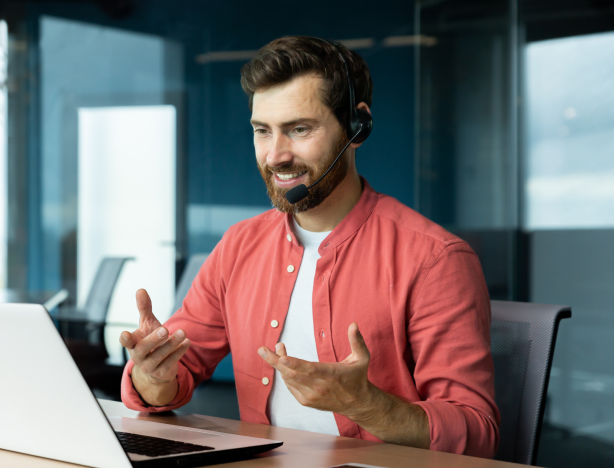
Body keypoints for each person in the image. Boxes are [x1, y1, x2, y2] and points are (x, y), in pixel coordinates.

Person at [119, 35, 499, 458]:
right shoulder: (239, 246)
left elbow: (477, 434)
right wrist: (154, 375)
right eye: (263, 131)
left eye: (299, 129)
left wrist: (365, 404)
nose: (276, 155)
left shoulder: (434, 260)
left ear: (358, 127)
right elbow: (175, 373)